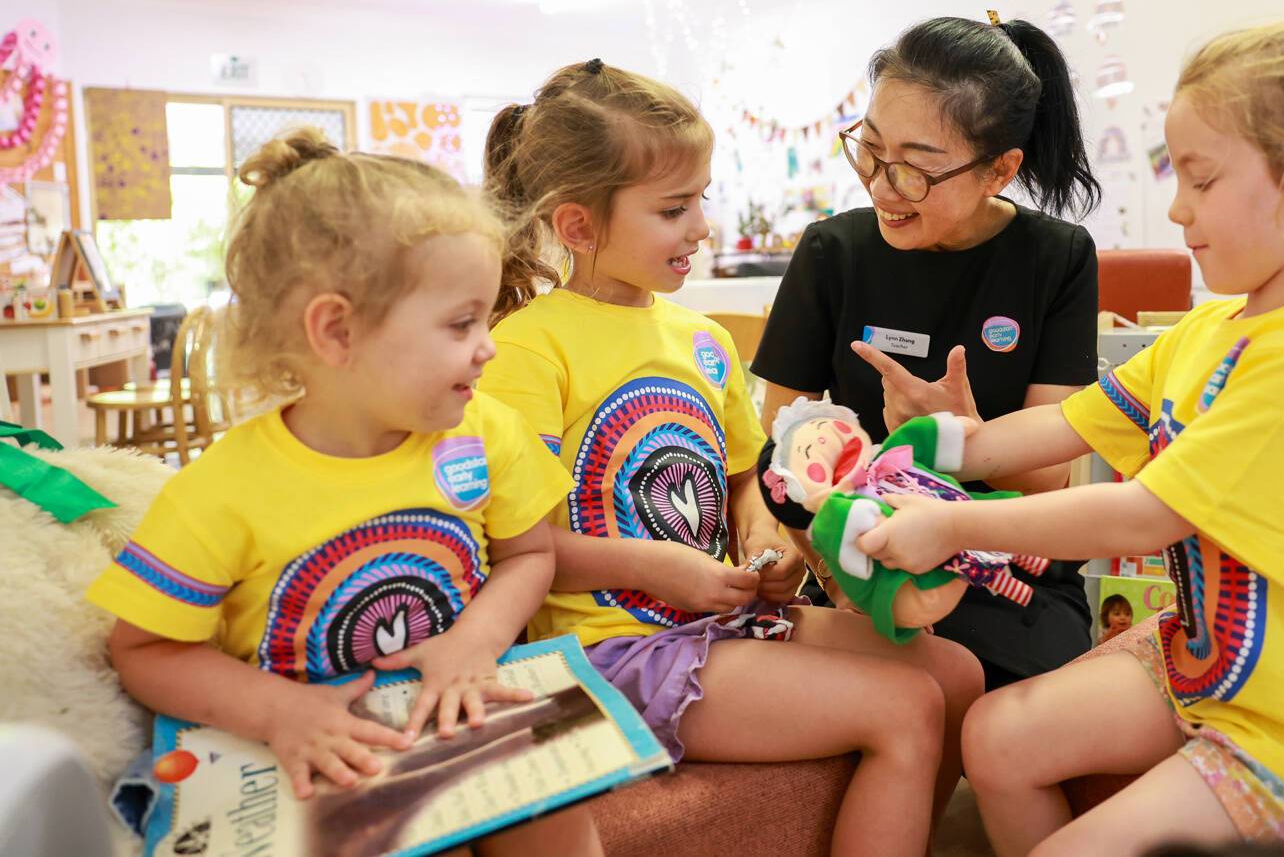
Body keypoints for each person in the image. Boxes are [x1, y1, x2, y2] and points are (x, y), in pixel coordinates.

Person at [859, 21, 1284, 855]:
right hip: (1207, 668)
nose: (1175, 207)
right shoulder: (1210, 331)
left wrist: (951, 523)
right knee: (997, 734)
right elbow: (1067, 421)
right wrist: (947, 449)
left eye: (1201, 179)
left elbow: (1145, 515)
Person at [477, 59, 984, 857]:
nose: (702, 229)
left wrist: (764, 542)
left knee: (956, 676)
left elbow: (745, 482)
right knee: (906, 707)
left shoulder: (704, 342)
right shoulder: (527, 349)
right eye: (672, 209)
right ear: (577, 226)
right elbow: (520, 549)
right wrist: (658, 569)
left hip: (720, 620)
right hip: (607, 650)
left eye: (702, 200)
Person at [85, 129, 600, 856]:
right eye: (462, 324)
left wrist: (475, 641)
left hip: (456, 713)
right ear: (336, 331)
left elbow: (530, 554)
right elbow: (144, 648)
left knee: (560, 816)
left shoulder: (487, 432)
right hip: (313, 753)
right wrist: (278, 712)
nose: (488, 345)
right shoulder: (222, 490)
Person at [752, 12, 1103, 688]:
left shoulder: (1056, 257)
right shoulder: (832, 253)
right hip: (862, 559)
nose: (882, 187)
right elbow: (784, 459)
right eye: (870, 149)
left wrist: (968, 433)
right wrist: (840, 583)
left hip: (1009, 565)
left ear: (999, 170)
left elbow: (1048, 481)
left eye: (915, 169)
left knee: (998, 702)